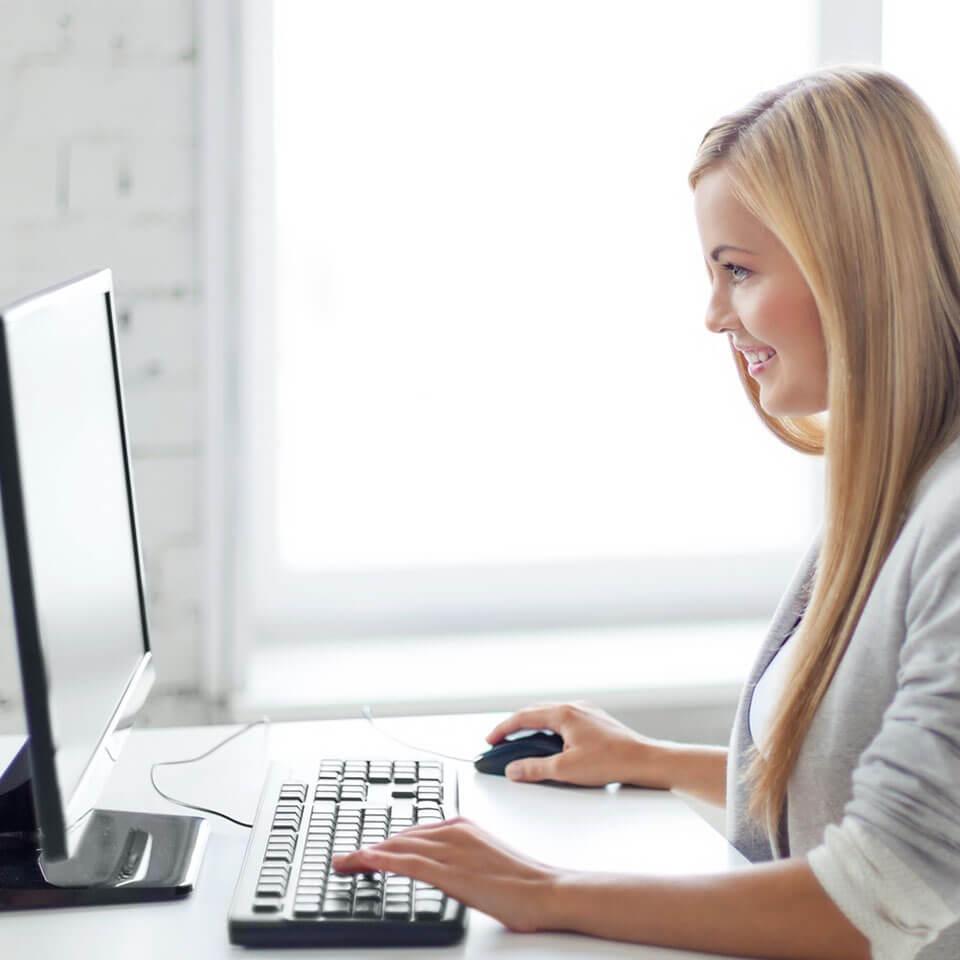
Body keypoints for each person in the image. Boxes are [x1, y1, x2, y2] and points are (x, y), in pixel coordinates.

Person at [335, 63, 960, 960]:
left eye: (737, 271)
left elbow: (877, 894)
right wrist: (650, 760)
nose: (715, 315)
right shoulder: (898, 480)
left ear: (855, 265)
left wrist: (535, 891)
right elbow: (861, 789)